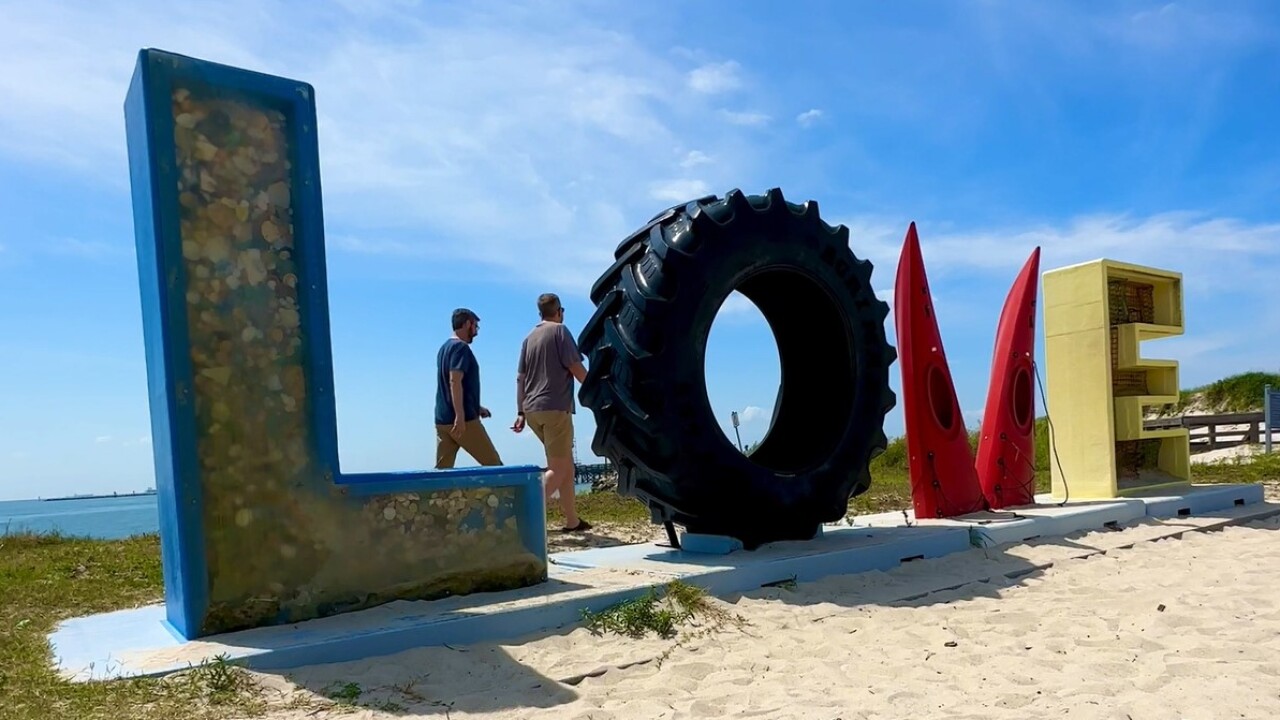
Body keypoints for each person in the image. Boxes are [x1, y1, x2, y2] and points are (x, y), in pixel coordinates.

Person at [513, 293, 591, 532]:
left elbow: (520, 378)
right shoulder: (560, 331)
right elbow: (575, 366)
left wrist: (520, 411)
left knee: (566, 465)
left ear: (540, 313)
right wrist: (594, 388)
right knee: (557, 469)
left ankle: (572, 521)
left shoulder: (529, 338)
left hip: (532, 409)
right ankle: (520, 518)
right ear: (559, 311)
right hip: (555, 407)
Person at [435, 308, 503, 469]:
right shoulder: (461, 348)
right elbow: (454, 381)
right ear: (467, 324)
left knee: (442, 472)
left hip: (442, 419)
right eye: (475, 327)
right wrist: (460, 416)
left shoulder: (444, 348)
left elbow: (453, 385)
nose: (476, 332)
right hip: (462, 421)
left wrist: (476, 407)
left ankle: (438, 495)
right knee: (494, 467)